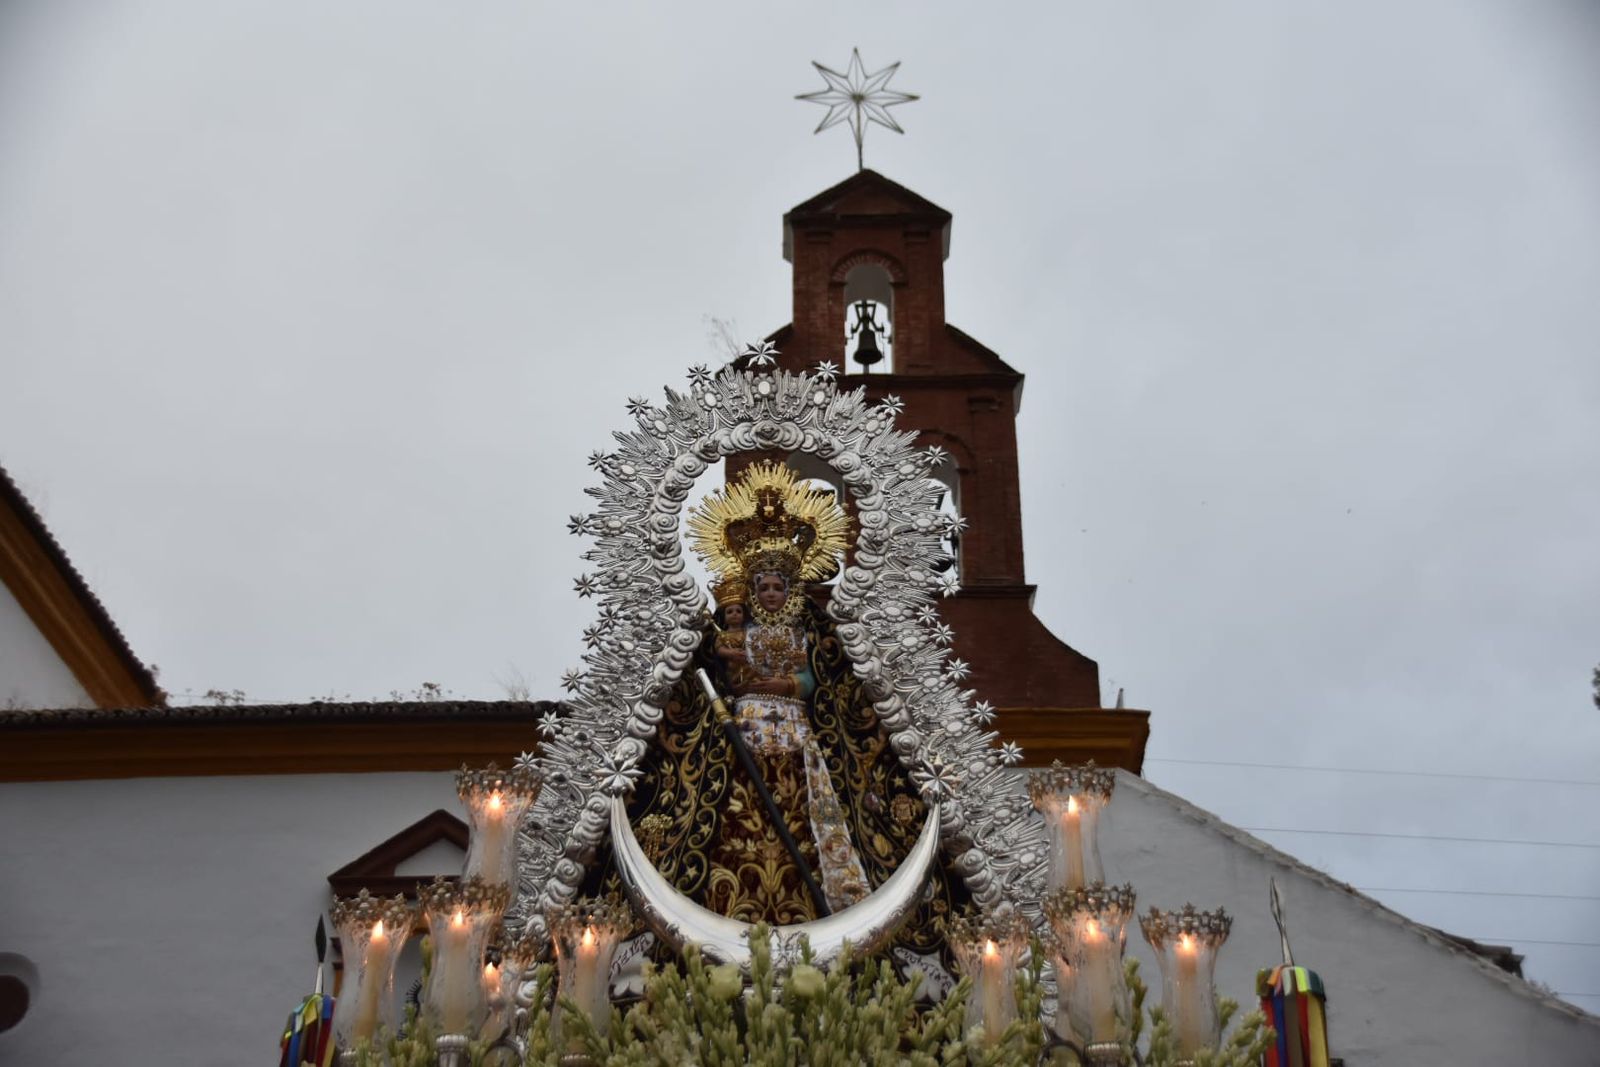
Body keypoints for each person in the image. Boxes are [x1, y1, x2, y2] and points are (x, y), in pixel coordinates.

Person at [618, 462, 966, 944]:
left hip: (798, 737)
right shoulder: (732, 628)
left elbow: (816, 682)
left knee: (810, 822)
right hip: (742, 735)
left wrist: (781, 684)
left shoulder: (812, 632)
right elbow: (712, 676)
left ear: (793, 588)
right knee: (731, 821)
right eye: (762, 585)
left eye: (779, 585)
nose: (771, 593)